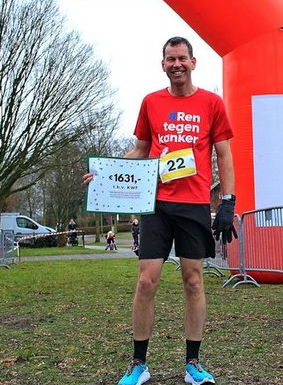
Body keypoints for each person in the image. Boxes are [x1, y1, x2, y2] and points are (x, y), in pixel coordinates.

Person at [83, 36, 236, 385]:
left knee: (193, 280)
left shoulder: (212, 103)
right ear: (163, 64)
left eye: (182, 58)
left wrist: (228, 201)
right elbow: (140, 149)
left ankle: (193, 364)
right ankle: (138, 364)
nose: (176, 64)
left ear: (193, 62)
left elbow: (224, 154)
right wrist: (105, 172)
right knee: (146, 281)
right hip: (155, 203)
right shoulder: (151, 102)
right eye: (170, 59)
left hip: (194, 203)